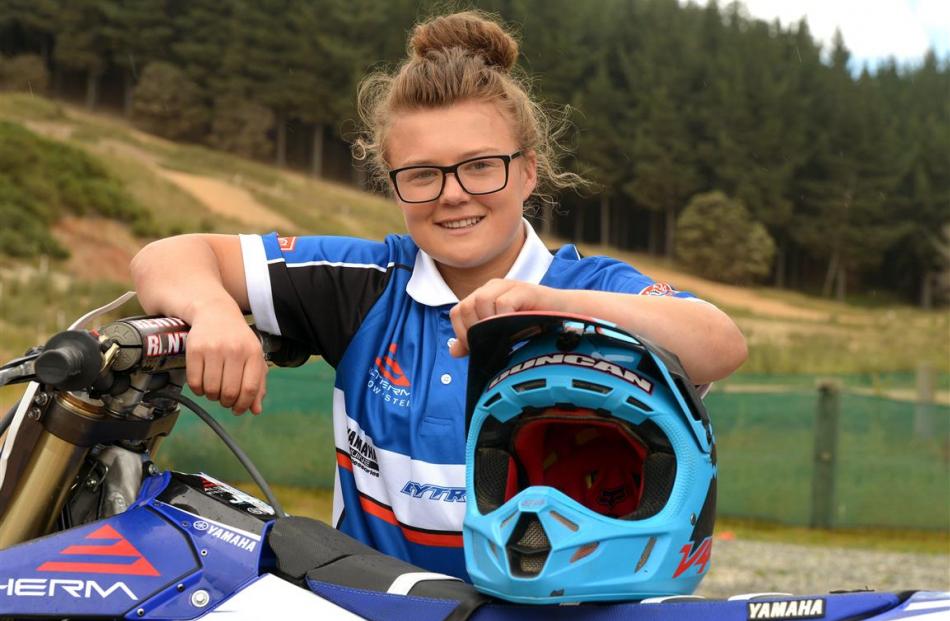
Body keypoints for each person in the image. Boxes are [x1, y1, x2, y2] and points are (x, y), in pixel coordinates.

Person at [130, 11, 747, 580]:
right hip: (377, 605)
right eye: (422, 174)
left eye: (480, 165)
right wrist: (212, 312)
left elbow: (719, 342)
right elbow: (167, 256)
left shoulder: (589, 288)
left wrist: (550, 307)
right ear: (393, 186)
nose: (452, 194)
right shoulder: (367, 282)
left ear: (528, 170)